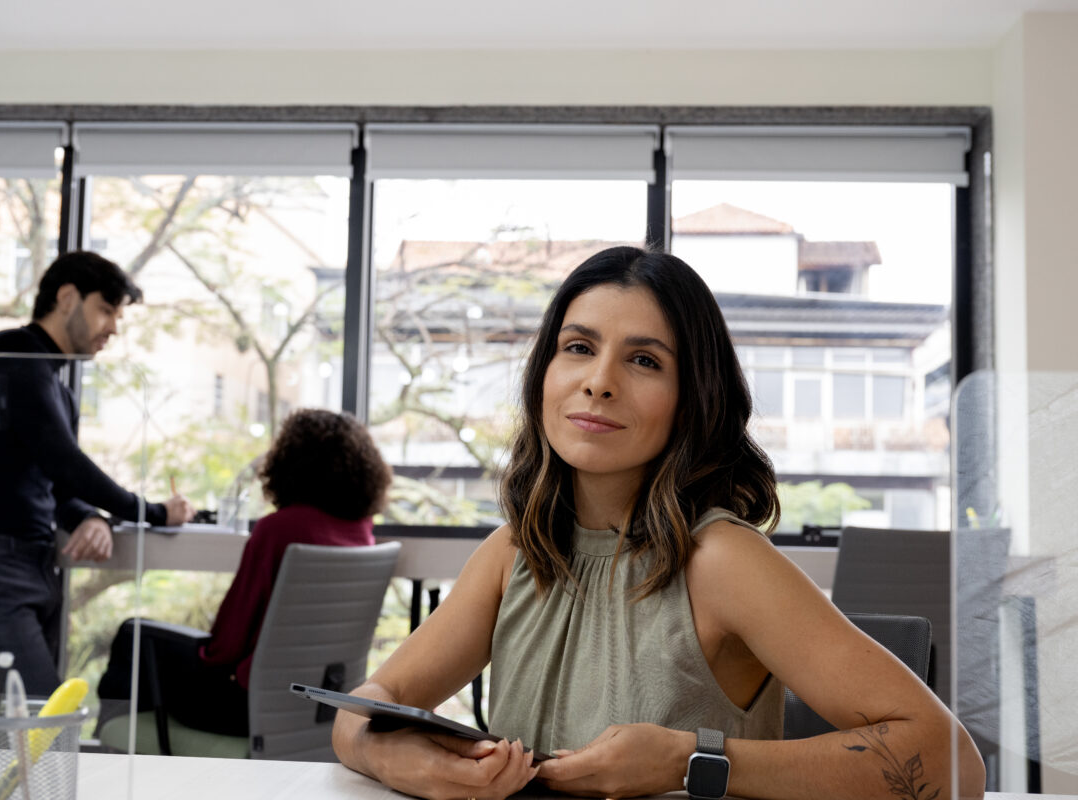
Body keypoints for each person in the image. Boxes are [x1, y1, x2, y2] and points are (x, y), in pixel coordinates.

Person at [332, 246, 986, 800]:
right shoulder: (514, 553)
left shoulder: (723, 561)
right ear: (544, 374)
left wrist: (690, 760)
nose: (599, 382)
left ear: (693, 397)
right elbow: (366, 705)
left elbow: (952, 764)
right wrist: (396, 758)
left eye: (644, 360)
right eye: (579, 347)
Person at [0, 251, 195, 699]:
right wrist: (154, 512)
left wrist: (90, 516)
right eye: (106, 310)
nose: (114, 327)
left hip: (29, 569)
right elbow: (65, 461)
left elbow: (57, 484)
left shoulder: (59, 390)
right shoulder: (13, 354)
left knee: (13, 733)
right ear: (67, 297)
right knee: (40, 722)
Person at [96, 407, 392, 737]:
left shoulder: (279, 530)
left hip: (241, 706)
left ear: (291, 464)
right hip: (317, 705)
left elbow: (226, 645)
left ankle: (114, 745)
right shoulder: (362, 533)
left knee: (133, 635)